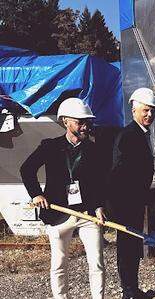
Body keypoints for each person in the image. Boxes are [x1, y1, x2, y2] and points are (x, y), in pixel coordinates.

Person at [20, 98, 106, 299]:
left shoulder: (94, 150)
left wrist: (100, 206)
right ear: (65, 121)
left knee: (97, 262)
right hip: (58, 213)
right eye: (80, 122)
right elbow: (27, 169)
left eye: (87, 122)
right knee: (59, 263)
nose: (85, 126)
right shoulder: (50, 146)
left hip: (87, 214)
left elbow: (100, 182)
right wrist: (36, 194)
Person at [109, 87, 155, 299]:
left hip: (134, 201)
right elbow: (120, 172)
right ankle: (128, 291)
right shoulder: (129, 135)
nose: (149, 115)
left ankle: (132, 289)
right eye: (145, 110)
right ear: (134, 110)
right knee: (127, 247)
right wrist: (121, 204)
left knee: (133, 245)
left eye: (152, 111)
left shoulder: (141, 134)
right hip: (126, 202)